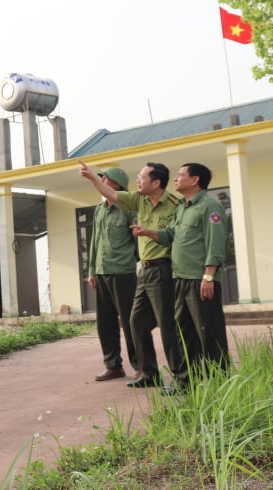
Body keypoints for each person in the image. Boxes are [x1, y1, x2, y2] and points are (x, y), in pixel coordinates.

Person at [79, 159, 184, 389]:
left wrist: (149, 236)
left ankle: (179, 376)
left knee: (164, 324)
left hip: (150, 269)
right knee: (130, 322)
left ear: (156, 182)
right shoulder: (133, 202)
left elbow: (172, 236)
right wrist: (91, 177)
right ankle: (145, 373)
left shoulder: (171, 205)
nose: (138, 179)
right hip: (134, 270)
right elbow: (96, 238)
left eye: (142, 177)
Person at [132, 162, 230, 393]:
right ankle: (187, 383)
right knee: (185, 335)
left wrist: (208, 276)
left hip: (200, 280)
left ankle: (221, 386)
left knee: (209, 334)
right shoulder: (183, 208)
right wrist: (147, 232)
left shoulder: (210, 206)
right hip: (180, 279)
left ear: (195, 180)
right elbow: (171, 235)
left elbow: (215, 244)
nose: (175, 179)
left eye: (180, 175)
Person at [85, 166, 140, 382]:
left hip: (124, 273)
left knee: (130, 322)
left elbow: (138, 242)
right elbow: (95, 242)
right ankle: (113, 366)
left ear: (116, 184)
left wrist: (129, 261)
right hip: (101, 273)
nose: (102, 181)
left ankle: (139, 366)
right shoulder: (99, 210)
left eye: (105, 178)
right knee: (105, 323)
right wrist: (91, 270)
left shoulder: (128, 210)